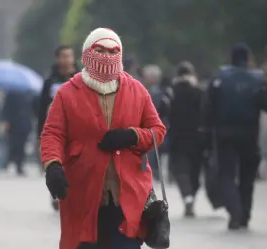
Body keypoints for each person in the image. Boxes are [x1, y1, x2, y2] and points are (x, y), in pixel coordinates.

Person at [40, 28, 166, 249]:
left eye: (112, 51)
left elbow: (158, 130)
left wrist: (132, 136)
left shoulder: (136, 90)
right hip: (83, 193)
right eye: (99, 50)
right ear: (87, 53)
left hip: (128, 196)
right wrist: (52, 165)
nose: (106, 56)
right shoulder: (68, 93)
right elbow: (53, 133)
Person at [203, 43, 267, 230]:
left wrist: (208, 129)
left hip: (224, 134)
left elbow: (207, 106)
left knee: (226, 174)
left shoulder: (220, 77)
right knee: (247, 175)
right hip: (250, 134)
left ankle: (234, 211)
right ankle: (244, 214)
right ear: (248, 58)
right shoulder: (258, 78)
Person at [37, 44, 78, 210]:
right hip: (56, 129)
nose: (67, 59)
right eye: (64, 56)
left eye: (70, 56)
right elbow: (41, 108)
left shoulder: (81, 78)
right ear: (58, 59)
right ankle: (57, 192)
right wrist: (40, 133)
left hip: (76, 128)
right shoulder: (50, 81)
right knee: (56, 162)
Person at [167, 61, 204, 217]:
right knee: (195, 170)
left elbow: (163, 111)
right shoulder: (199, 91)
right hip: (197, 137)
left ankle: (187, 196)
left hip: (177, 136)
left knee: (180, 170)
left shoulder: (171, 92)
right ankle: (191, 198)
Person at [141, 65, 171, 180]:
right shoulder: (161, 91)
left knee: (154, 151)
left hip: (154, 126)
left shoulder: (153, 92)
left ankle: (153, 171)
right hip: (159, 126)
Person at [0, 90, 34, 175]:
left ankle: (19, 165)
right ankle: (9, 163)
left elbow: (32, 109)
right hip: (14, 124)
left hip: (24, 124)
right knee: (13, 144)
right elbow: (6, 108)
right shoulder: (11, 94)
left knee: (21, 146)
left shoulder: (29, 94)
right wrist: (6, 120)